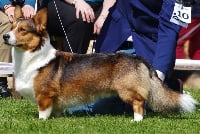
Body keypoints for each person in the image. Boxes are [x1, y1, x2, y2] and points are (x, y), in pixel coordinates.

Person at [40, 0, 116, 53]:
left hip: (98, 6)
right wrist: (77, 1)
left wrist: (104, 16)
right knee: (81, 19)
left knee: (114, 20)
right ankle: (71, 69)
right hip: (62, 3)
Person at [0, 0, 36, 98]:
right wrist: (6, 5)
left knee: (31, 24)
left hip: (21, 5)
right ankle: (1, 82)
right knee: (7, 23)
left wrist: (29, 4)